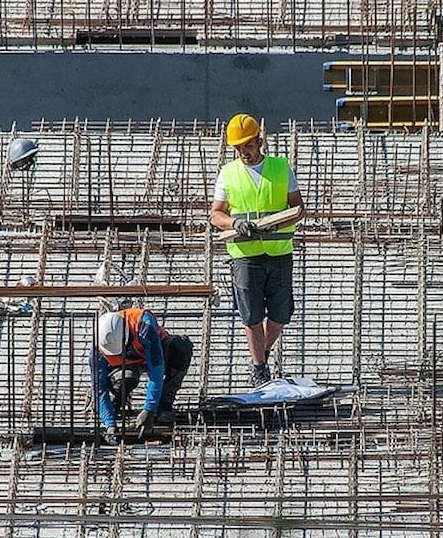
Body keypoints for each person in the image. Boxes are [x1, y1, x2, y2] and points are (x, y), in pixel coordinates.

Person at [209, 113, 305, 387]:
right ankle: (259, 366)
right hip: (244, 254)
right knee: (251, 315)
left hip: (278, 251)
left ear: (259, 142)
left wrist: (279, 222)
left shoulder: (280, 168)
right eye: (238, 148)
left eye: (248, 146)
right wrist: (235, 223)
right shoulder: (227, 174)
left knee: (279, 315)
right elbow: (215, 215)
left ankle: (260, 350)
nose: (243, 152)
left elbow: (298, 209)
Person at [89, 308, 193, 445]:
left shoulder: (144, 325)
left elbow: (156, 372)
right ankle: (112, 406)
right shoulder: (99, 348)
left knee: (181, 347)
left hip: (153, 352)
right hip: (125, 367)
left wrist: (149, 408)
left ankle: (164, 405)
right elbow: (99, 389)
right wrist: (109, 424)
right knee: (126, 379)